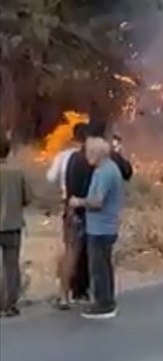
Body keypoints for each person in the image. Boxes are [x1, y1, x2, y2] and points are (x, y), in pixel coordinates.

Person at [66, 122, 133, 305]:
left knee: (91, 260)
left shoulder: (84, 161)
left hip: (90, 218)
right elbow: (128, 172)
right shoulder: (111, 160)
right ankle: (101, 296)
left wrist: (76, 204)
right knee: (99, 261)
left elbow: (80, 191)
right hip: (97, 219)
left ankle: (91, 296)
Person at [55, 122, 89, 309]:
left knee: (70, 251)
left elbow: (52, 178)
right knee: (77, 252)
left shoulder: (64, 156)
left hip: (69, 206)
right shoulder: (84, 157)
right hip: (79, 208)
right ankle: (74, 292)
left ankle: (66, 293)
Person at [0, 136, 30, 317]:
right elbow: (27, 198)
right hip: (12, 225)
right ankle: (10, 304)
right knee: (11, 266)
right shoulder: (17, 172)